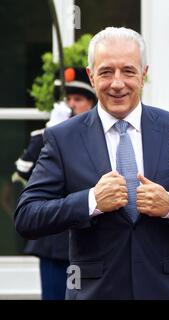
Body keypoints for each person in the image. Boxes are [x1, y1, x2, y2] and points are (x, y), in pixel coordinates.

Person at [15, 27, 169, 300]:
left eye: (128, 71)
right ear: (91, 76)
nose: (117, 83)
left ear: (144, 74)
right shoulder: (63, 138)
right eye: (107, 72)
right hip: (95, 293)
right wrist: (90, 201)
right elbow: (27, 216)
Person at [12, 67, 97, 300]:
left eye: (78, 99)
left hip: (92, 235)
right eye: (68, 99)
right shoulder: (46, 135)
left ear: (91, 103)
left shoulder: (99, 135)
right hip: (54, 238)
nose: (71, 105)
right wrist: (49, 132)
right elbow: (24, 172)